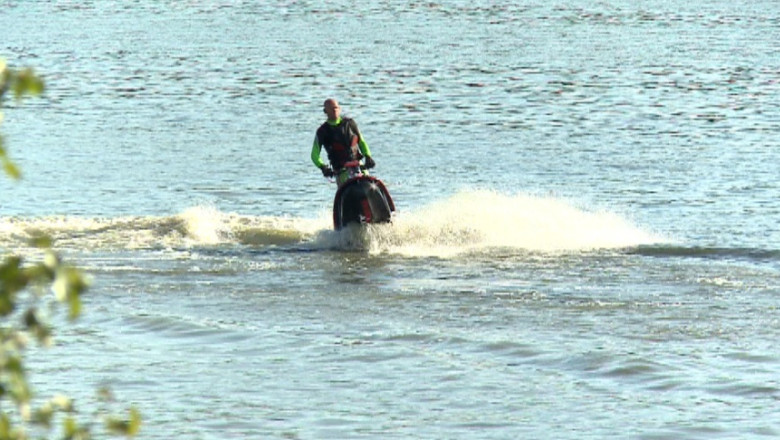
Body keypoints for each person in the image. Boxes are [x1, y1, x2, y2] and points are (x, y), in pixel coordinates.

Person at [311, 98, 375, 186]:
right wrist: (323, 167)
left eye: (336, 108)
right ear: (325, 111)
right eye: (331, 108)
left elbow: (362, 142)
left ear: (340, 109)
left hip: (358, 165)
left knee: (370, 184)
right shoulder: (322, 131)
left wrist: (368, 156)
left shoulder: (350, 124)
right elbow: (314, 154)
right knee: (348, 185)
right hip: (341, 170)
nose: (334, 110)